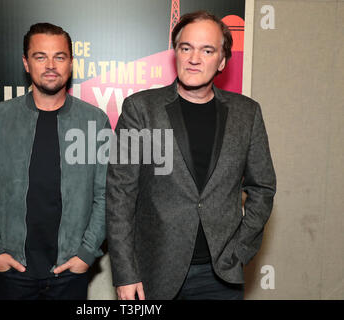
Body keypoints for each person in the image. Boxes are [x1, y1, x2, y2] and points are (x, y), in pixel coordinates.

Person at [106, 11, 276, 300]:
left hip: (220, 276)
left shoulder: (247, 113)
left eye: (207, 50)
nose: (194, 58)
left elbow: (262, 187)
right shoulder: (141, 109)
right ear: (175, 53)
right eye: (186, 48)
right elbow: (120, 195)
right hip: (152, 274)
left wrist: (240, 249)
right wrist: (125, 273)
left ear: (222, 60)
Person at [0, 23, 110, 300]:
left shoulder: (95, 121)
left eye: (59, 57)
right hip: (14, 270)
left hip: (70, 271)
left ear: (70, 63)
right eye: (40, 56)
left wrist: (86, 253)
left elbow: (105, 195)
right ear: (26, 63)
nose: (50, 65)